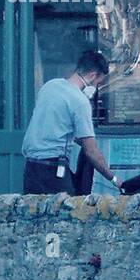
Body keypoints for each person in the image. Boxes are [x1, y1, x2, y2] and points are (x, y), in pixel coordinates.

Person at [21, 49, 124, 194]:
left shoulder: (49, 86)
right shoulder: (80, 102)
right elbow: (91, 151)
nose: (97, 88)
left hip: (31, 168)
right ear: (93, 75)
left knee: (33, 214)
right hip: (54, 169)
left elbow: (54, 124)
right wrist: (114, 179)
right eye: (98, 83)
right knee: (68, 214)